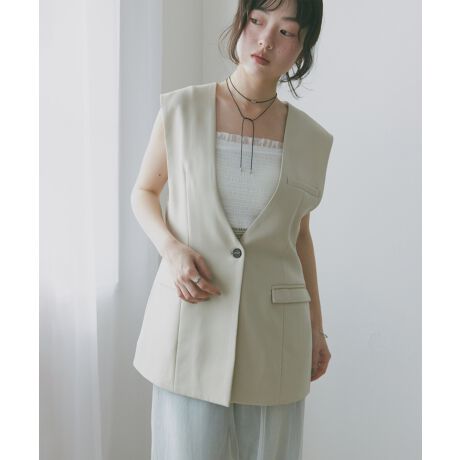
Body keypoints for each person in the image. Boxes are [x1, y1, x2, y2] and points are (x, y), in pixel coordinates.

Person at [130, 0, 333, 458]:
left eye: (286, 31)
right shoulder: (181, 109)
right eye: (257, 21)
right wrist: (172, 250)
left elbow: (300, 235)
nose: (265, 40)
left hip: (275, 333)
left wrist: (317, 328)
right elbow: (143, 192)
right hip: (190, 324)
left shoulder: (312, 140)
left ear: (302, 48)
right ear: (240, 23)